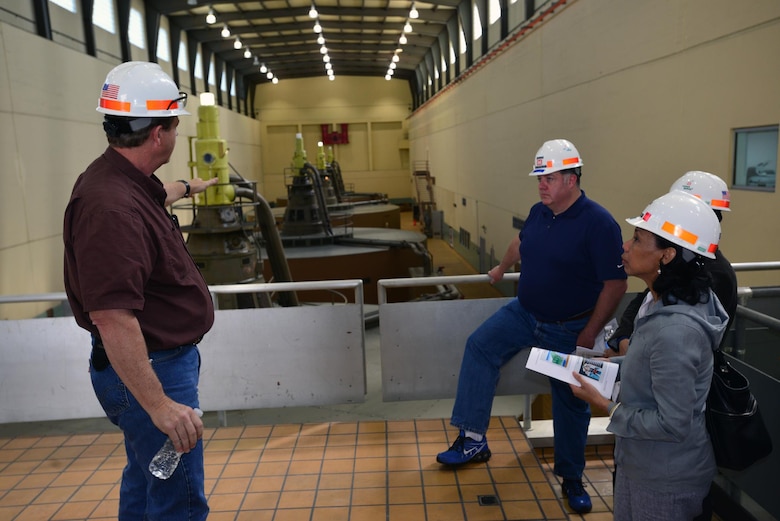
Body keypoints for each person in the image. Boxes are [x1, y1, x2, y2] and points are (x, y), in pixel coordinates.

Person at [436, 139, 628, 514]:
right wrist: (501, 267)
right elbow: (521, 242)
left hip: (567, 327)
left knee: (570, 400)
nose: (541, 184)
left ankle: (572, 479)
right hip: (524, 313)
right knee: (479, 346)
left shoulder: (599, 223)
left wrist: (589, 331)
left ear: (571, 180)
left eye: (550, 177)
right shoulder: (540, 211)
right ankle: (473, 438)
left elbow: (615, 284)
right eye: (540, 176)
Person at [63, 61, 218, 521]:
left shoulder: (121, 180)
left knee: (147, 478)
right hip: (151, 371)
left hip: (154, 364)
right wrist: (161, 407)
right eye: (174, 125)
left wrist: (189, 186)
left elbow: (154, 197)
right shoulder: (111, 209)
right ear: (159, 133)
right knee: (180, 502)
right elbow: (113, 317)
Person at [571, 191, 728, 520]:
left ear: (667, 255)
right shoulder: (663, 303)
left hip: (665, 480)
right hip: (642, 463)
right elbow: (653, 365)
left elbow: (672, 425)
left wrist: (605, 405)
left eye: (638, 239)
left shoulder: (677, 331)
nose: (626, 246)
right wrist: (610, 366)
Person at [606, 171, 737, 357]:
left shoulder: (714, 276)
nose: (626, 246)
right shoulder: (676, 270)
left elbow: (678, 361)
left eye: (637, 239)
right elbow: (642, 302)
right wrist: (622, 339)